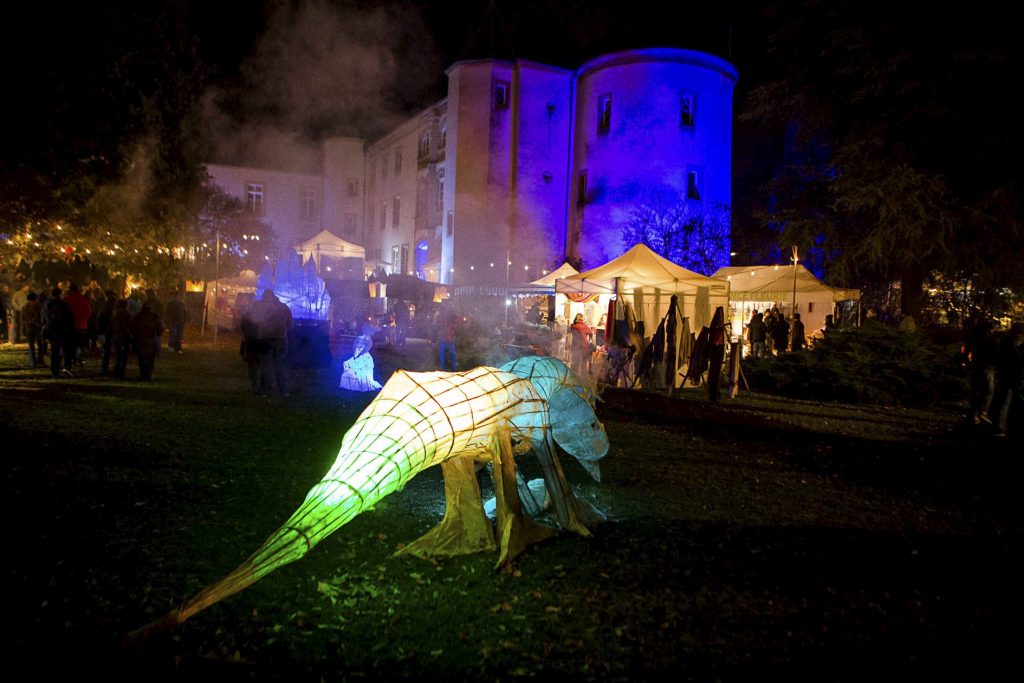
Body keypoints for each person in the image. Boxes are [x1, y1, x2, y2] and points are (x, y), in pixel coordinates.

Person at [256, 289, 293, 396]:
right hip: (280, 338)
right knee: (279, 364)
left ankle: (263, 390)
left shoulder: (261, 307)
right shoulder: (284, 307)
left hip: (264, 338)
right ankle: (283, 390)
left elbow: (254, 320)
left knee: (265, 365)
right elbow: (290, 324)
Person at [964, 317, 997, 425]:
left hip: (978, 367)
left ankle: (975, 414)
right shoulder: (990, 340)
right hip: (986, 368)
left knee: (977, 391)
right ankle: (981, 412)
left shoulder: (974, 339)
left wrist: (967, 363)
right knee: (987, 390)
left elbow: (967, 351)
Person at [993, 322, 1023, 438]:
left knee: (1006, 402)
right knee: (1006, 402)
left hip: (1008, 376)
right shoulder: (1009, 344)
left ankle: (1002, 426)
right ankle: (1001, 428)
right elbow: (1017, 360)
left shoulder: (1006, 342)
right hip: (1011, 377)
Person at [45, 288, 77, 377]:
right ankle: (66, 367)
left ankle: (55, 370)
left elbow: (46, 318)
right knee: (66, 350)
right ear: (60, 294)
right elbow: (70, 318)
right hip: (64, 330)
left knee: (54, 351)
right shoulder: (64, 304)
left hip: (53, 330)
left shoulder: (49, 305)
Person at [130, 301, 163, 380]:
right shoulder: (154, 316)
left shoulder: (138, 316)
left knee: (142, 358)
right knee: (150, 359)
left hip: (141, 341)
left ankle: (143, 374)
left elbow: (132, 328)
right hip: (150, 341)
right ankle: (148, 374)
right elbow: (159, 328)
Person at [63, 283, 91, 365]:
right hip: (82, 324)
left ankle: (71, 358)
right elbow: (88, 312)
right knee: (80, 342)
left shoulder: (67, 299)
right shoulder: (84, 299)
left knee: (70, 342)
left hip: (69, 325)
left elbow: (64, 312)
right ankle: (78, 356)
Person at [239, 304, 264, 393]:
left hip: (252, 342)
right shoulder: (259, 318)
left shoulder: (246, 317)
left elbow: (242, 330)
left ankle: (255, 385)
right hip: (256, 342)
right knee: (257, 364)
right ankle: (258, 385)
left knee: (253, 365)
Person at [707, 306, 727, 401]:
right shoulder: (716, 329)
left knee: (715, 373)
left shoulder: (717, 328)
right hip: (716, 350)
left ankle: (714, 393)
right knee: (714, 373)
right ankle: (713, 393)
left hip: (717, 350)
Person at [110, 299, 133, 379]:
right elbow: (131, 326)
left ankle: (117, 371)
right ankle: (121, 371)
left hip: (118, 337)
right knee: (124, 355)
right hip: (125, 337)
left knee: (118, 355)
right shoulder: (128, 315)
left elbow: (114, 326)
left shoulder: (116, 315)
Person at [21, 291, 42, 367]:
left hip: (33, 328)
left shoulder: (25, 307)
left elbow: (23, 319)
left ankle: (36, 361)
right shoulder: (38, 307)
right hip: (35, 328)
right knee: (36, 345)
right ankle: (36, 361)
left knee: (35, 345)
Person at [164, 289, 188, 353]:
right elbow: (167, 313)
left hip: (180, 321)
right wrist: (168, 321)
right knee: (173, 335)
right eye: (176, 296)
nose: (177, 297)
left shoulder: (182, 304)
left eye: (178, 296)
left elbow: (185, 312)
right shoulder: (170, 304)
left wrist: (184, 320)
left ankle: (178, 348)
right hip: (173, 321)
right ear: (174, 297)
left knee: (179, 335)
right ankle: (171, 346)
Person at [438, 303, 459, 371]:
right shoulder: (447, 319)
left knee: (446, 354)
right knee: (450, 354)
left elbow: (441, 328)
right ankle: (451, 367)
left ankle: (446, 367)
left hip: (446, 339)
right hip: (447, 339)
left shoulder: (445, 318)